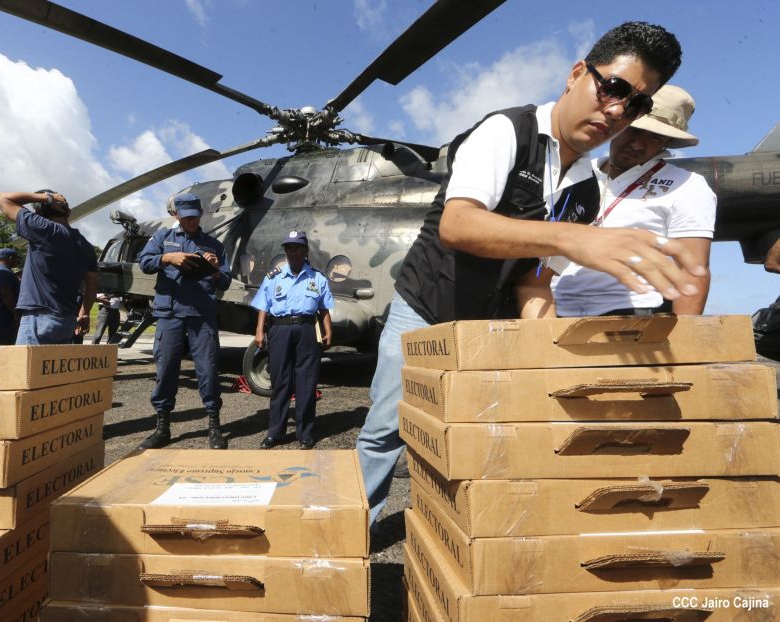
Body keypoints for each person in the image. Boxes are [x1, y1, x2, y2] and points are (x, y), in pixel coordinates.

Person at [357, 22, 696, 527]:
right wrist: (570, 238)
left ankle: (448, 532)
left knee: (471, 433)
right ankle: (351, 537)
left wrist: (549, 359)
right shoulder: (506, 131)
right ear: (577, 74)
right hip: (426, 306)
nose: (617, 111)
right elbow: (458, 224)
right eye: (613, 88)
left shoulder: (586, 193)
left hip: (486, 325)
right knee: (387, 429)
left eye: (636, 105)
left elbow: (534, 282)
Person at [535, 86, 713, 317]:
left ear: (667, 142)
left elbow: (693, 269)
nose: (638, 144)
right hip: (550, 310)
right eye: (634, 130)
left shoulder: (688, 185)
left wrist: (686, 336)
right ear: (617, 123)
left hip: (635, 316)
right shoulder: (576, 170)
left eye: (655, 137)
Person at [137, 193, 233, 450]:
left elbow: (225, 282)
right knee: (166, 369)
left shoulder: (213, 244)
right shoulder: (162, 238)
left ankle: (214, 425)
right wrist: (168, 258)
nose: (191, 221)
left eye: (195, 216)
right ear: (176, 215)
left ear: (200, 215)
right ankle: (162, 428)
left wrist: (214, 269)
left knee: (208, 370)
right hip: (170, 314)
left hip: (202, 316)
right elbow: (144, 262)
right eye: (186, 216)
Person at [252, 231, 334, 450]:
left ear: (305, 250)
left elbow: (324, 308)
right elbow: (263, 306)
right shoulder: (274, 277)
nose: (293, 252)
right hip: (280, 330)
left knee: (306, 382)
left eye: (297, 248)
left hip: (307, 330)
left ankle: (305, 433)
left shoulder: (317, 278)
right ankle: (275, 433)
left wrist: (328, 330)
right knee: (281, 382)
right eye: (289, 248)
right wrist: (259, 331)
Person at [0, 190, 98, 345]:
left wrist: (45, 198)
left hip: (39, 318)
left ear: (39, 212)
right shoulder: (86, 246)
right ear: (68, 212)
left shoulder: (44, 229)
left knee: (26, 362)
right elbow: (92, 286)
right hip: (67, 321)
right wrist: (84, 313)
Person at [0, 248, 21, 345]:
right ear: (10, 258)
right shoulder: (3, 272)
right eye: (17, 259)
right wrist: (15, 313)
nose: (18, 261)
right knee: (3, 345)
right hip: (3, 316)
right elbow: (6, 294)